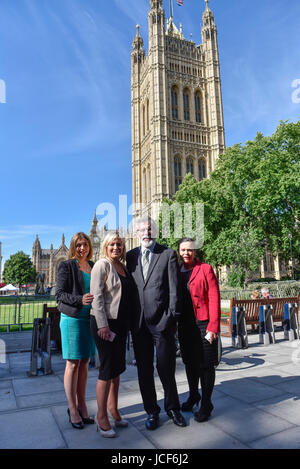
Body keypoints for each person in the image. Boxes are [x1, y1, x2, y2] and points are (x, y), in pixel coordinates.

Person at [126, 217, 186, 430]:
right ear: (137, 233)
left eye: (150, 229)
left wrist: (171, 317)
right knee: (144, 371)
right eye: (142, 230)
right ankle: (151, 411)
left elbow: (174, 290)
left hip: (162, 322)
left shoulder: (167, 254)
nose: (146, 233)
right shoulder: (130, 256)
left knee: (166, 367)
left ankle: (173, 408)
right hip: (139, 324)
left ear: (155, 231)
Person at [90, 232, 135, 438]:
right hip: (105, 324)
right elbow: (97, 297)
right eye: (112, 245)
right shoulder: (102, 265)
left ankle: (113, 410)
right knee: (107, 370)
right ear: (105, 247)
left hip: (120, 324)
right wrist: (102, 325)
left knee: (117, 370)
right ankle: (101, 418)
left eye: (119, 244)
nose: (116, 247)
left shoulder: (123, 267)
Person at [177, 237, 221, 422]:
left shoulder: (205, 269)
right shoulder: (176, 271)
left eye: (190, 250)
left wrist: (213, 327)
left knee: (205, 365)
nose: (186, 253)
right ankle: (194, 395)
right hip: (185, 324)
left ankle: (206, 404)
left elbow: (214, 298)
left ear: (195, 252)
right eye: (183, 250)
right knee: (189, 362)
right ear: (179, 252)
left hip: (203, 323)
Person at [56, 232, 95, 430]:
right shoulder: (67, 265)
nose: (82, 248)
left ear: (90, 246)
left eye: (85, 244)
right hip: (72, 319)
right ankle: (72, 409)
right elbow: (60, 295)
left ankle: (82, 405)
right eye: (78, 245)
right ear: (73, 247)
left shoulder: (94, 266)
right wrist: (80, 299)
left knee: (85, 363)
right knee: (72, 364)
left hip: (90, 321)